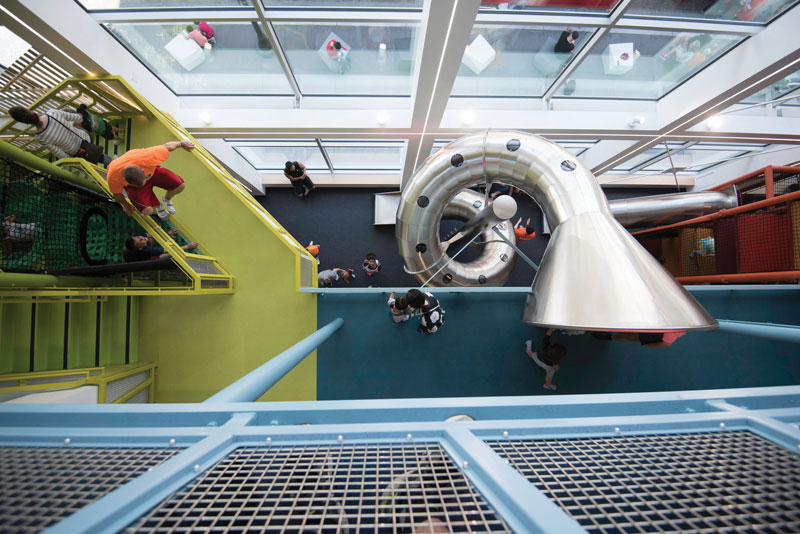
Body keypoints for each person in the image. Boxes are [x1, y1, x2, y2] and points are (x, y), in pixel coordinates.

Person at [106, 140, 195, 219]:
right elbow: (117, 195)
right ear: (124, 180)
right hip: (136, 184)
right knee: (147, 211)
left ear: (142, 170)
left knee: (180, 185)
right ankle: (157, 205)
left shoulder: (148, 157)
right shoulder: (113, 176)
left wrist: (182, 144)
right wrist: (126, 205)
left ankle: (166, 198)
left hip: (153, 172)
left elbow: (168, 146)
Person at [8, 105, 113, 165]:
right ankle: (113, 163)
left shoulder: (39, 137)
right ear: (28, 110)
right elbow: (78, 118)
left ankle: (109, 165)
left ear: (24, 122)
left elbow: (59, 153)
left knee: (95, 159)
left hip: (78, 152)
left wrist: (72, 159)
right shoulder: (52, 113)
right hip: (85, 137)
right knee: (99, 154)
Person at [123, 227, 198, 263]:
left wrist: (168, 233)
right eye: (141, 240)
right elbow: (169, 250)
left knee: (151, 238)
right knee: (166, 255)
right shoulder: (147, 250)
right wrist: (188, 246)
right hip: (134, 259)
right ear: (140, 248)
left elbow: (153, 234)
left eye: (138, 237)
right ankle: (156, 254)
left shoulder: (139, 236)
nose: (142, 237)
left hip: (128, 253)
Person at [610, 331, 686, 348]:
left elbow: (666, 344)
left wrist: (650, 345)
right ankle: (613, 334)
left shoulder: (673, 333)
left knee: (628, 336)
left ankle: (611, 337)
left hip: (646, 335)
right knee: (629, 332)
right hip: (647, 328)